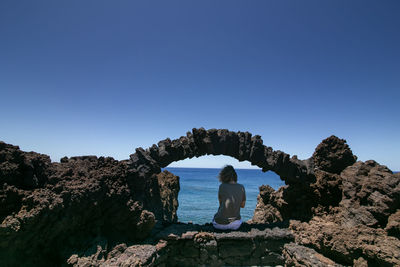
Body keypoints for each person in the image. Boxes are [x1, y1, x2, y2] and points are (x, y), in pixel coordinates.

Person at [212, 165, 246, 230]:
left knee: (215, 217)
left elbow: (221, 204)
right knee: (239, 219)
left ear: (223, 176)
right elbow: (242, 205)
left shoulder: (222, 186)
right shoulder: (241, 187)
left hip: (219, 225)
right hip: (235, 225)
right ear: (235, 176)